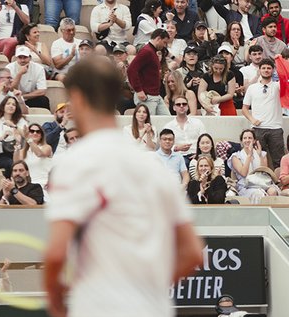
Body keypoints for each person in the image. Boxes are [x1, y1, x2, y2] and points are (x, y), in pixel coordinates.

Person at [43, 57, 203, 317]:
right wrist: (145, 289)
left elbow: (56, 253)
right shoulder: (153, 166)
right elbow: (193, 253)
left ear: (78, 98)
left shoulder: (74, 163)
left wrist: (55, 300)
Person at [242, 58, 284, 169]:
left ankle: (279, 183)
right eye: (263, 68)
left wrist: (280, 60)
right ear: (259, 70)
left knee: (278, 159)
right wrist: (252, 120)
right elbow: (245, 108)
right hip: (257, 129)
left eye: (269, 68)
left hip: (275, 128)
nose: (266, 70)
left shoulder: (278, 86)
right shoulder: (252, 88)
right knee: (257, 158)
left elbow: (288, 77)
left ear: (273, 70)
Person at [228, 129, 279, 203]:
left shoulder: (262, 154)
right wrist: (249, 155)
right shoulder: (236, 156)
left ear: (254, 140)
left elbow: (264, 171)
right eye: (245, 138)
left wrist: (259, 155)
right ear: (242, 141)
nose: (247, 140)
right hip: (246, 186)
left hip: (262, 182)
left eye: (250, 138)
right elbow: (243, 173)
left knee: (272, 191)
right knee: (258, 193)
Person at [127, 28, 171, 115]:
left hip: (155, 95)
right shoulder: (147, 51)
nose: (164, 45)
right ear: (158, 39)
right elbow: (131, 70)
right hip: (147, 96)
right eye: (164, 42)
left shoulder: (151, 51)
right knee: (148, 123)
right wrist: (138, 90)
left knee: (167, 120)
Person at [0, 96, 28, 178]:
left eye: (14, 105)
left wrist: (14, 126)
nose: (11, 106)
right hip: (2, 156)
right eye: (8, 104)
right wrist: (1, 138)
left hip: (20, 154)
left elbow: (28, 136)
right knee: (12, 165)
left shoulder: (21, 121)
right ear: (3, 106)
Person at [163, 95, 207, 164]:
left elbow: (205, 140)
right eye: (178, 104)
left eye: (184, 104)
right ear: (174, 108)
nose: (181, 106)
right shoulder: (168, 126)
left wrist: (199, 154)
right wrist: (177, 148)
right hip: (178, 156)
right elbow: (163, 145)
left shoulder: (198, 122)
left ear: (187, 106)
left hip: (197, 155)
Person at [6, 46, 50, 111]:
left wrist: (22, 96)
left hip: (30, 97)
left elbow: (42, 91)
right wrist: (19, 74)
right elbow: (11, 89)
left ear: (30, 58)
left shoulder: (38, 68)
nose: (22, 60)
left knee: (44, 100)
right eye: (20, 57)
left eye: (25, 57)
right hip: (13, 98)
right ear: (16, 58)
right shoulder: (9, 68)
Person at [13, 123, 52, 191]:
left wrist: (28, 139)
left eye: (38, 131)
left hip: (44, 183)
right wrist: (18, 145)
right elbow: (16, 163)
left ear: (41, 135)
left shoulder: (47, 147)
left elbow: (39, 154)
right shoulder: (23, 151)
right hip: (29, 185)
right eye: (31, 131)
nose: (35, 133)